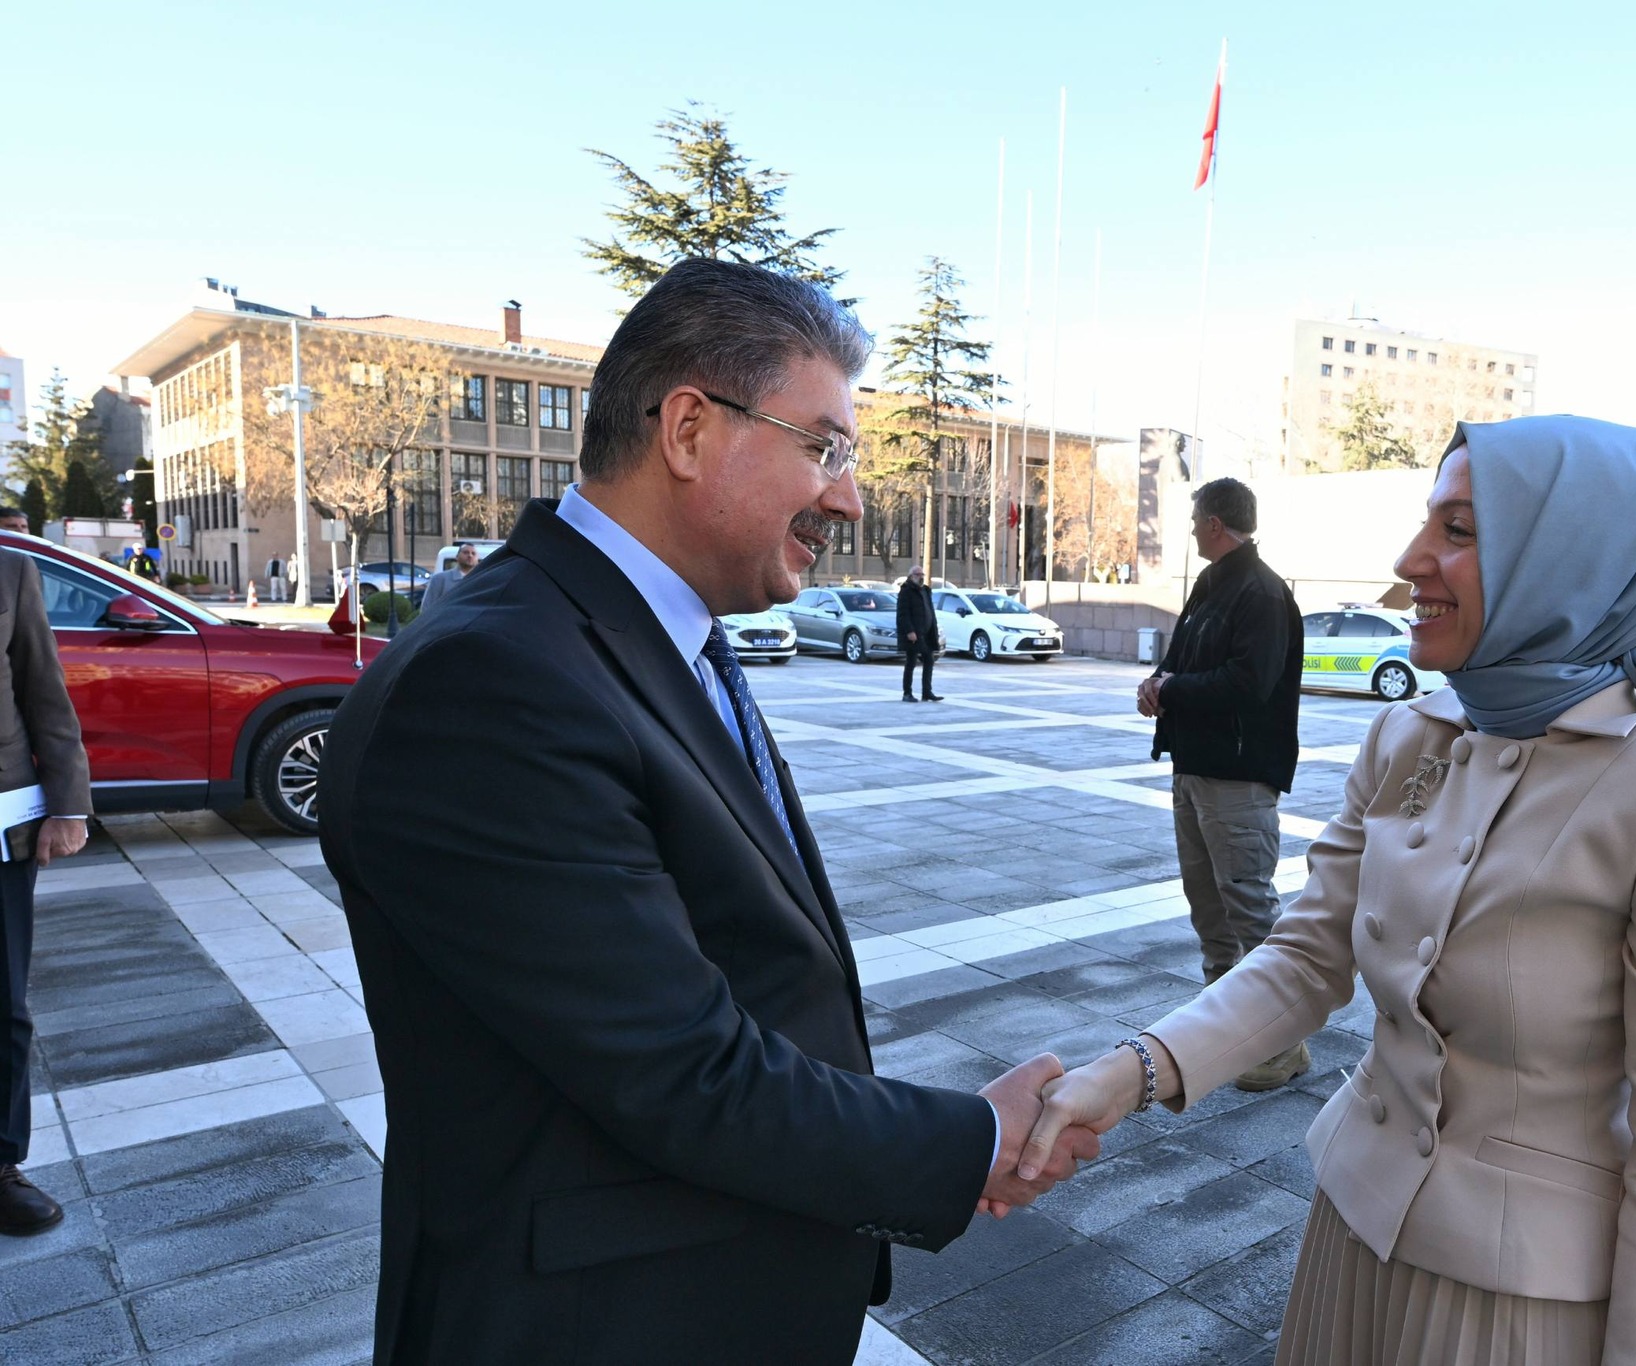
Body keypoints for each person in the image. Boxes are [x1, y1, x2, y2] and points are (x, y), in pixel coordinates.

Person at [319, 259, 1097, 1366]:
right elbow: (681, 1071)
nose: (848, 497)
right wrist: (970, 1138)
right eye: (823, 446)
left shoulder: (640, 639)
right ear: (688, 429)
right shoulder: (494, 682)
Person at [1032, 416, 1636, 1366]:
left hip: (1520, 1305)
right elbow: (1306, 957)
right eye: (1429, 521)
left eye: (1459, 530)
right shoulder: (1410, 733)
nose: (1409, 560)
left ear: (1572, 558)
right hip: (1352, 1234)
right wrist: (1125, 1075)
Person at [1139, 476, 1308, 1091]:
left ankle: (1283, 1043)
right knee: (1209, 908)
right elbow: (1183, 660)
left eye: (1195, 521)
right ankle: (1226, 1031)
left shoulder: (1261, 592)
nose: (1190, 531)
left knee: (1250, 910)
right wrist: (1158, 682)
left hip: (1238, 776)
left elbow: (1249, 682)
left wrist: (1174, 688)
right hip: (1195, 767)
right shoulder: (1212, 585)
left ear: (1215, 524)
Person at [0, 548, 92, 1235]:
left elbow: (43, 693)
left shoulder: (10, 573)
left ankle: (1, 1164)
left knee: (4, 1002)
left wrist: (68, 805)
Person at [897, 563, 942, 702]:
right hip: (914, 634)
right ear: (911, 576)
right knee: (911, 663)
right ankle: (907, 693)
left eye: (922, 574)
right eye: (917, 574)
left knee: (929, 660)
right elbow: (903, 614)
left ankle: (927, 692)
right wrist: (909, 631)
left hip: (926, 633)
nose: (921, 577)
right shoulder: (906, 591)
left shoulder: (925, 590)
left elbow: (929, 610)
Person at [418, 542, 478, 611]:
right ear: (457, 557)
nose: (470, 555)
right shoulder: (439, 579)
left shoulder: (480, 580)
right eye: (466, 552)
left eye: (473, 553)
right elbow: (426, 607)